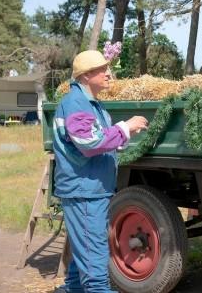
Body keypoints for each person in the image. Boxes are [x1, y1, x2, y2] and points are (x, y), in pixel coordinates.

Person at [52, 50, 148, 293]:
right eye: (102, 70)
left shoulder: (91, 103)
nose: (108, 74)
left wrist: (123, 133)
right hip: (85, 190)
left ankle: (72, 288)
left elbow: (98, 138)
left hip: (91, 189)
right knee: (94, 255)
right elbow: (90, 143)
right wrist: (125, 127)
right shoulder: (76, 103)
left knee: (83, 246)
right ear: (85, 76)